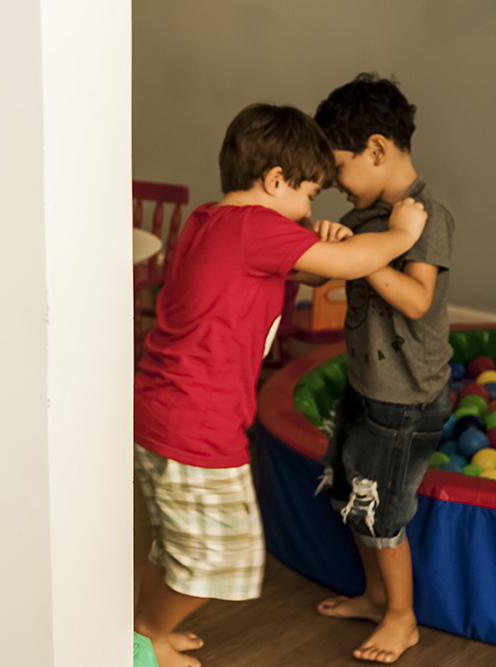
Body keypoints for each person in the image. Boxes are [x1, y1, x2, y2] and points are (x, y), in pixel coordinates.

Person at [132, 103, 428, 667]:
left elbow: (310, 266)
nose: (310, 206)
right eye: (309, 194)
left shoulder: (211, 220)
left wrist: (324, 241)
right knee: (223, 556)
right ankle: (141, 638)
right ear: (274, 181)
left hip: (160, 412)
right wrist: (399, 234)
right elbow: (346, 265)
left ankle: (149, 631)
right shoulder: (257, 229)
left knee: (174, 546)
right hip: (198, 425)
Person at [312, 73, 455, 664]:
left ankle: (403, 617)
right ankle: (376, 597)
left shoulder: (424, 216)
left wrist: (368, 255)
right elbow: (319, 272)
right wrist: (333, 244)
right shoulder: (371, 220)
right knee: (351, 494)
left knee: (381, 511)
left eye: (338, 166)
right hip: (366, 386)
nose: (332, 184)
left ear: (376, 149)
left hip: (406, 400)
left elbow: (418, 300)